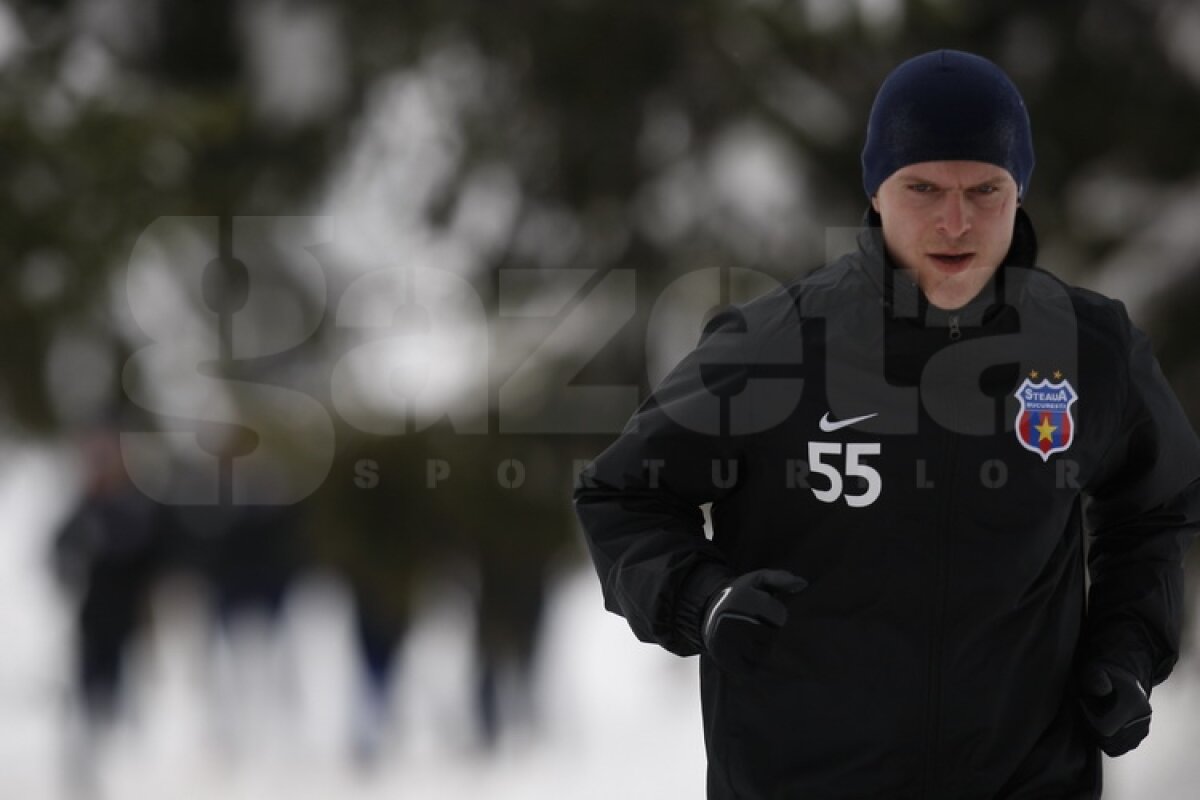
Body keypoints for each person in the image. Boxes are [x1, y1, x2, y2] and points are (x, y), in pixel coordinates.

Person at [573, 49, 1200, 799]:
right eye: (924, 187)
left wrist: (1127, 649)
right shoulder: (777, 345)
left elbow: (1157, 510)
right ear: (875, 191)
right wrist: (700, 600)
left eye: (985, 189)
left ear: (1019, 191)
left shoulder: (1090, 348)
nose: (955, 219)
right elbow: (621, 495)